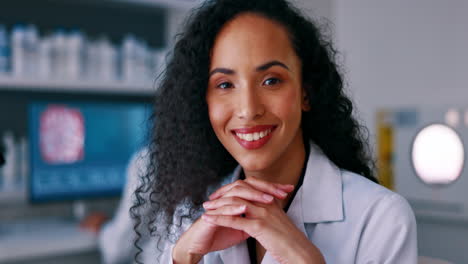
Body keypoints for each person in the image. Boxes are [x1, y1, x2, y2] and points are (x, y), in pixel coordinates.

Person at [131, 0, 418, 263]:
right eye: (224, 85)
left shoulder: (381, 217)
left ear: (306, 92)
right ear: (202, 101)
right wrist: (182, 257)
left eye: (271, 81)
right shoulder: (192, 213)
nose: (248, 109)